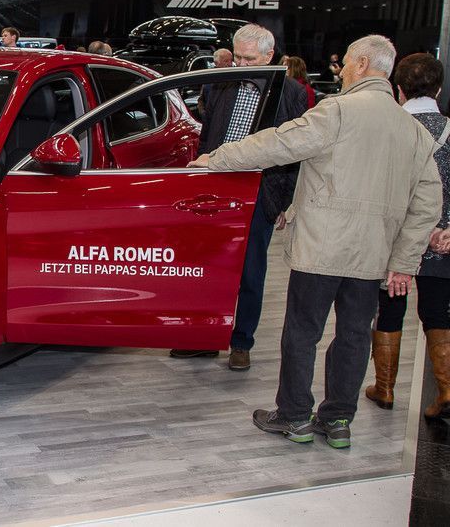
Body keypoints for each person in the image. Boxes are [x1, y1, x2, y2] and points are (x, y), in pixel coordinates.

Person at [190, 35, 441, 449]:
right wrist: (403, 259)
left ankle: (294, 417)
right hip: (373, 255)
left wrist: (214, 160)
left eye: (346, 63)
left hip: (321, 249)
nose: (340, 71)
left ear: (361, 64)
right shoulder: (411, 130)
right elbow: (428, 202)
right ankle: (338, 420)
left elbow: (275, 144)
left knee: (302, 333)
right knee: (355, 337)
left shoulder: (337, 111)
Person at [171, 25, 307, 371]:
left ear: (269, 56)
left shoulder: (291, 93)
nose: (242, 64)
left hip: (261, 191)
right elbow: (207, 138)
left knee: (250, 272)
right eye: (238, 57)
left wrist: (283, 202)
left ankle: (241, 341)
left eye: (250, 59)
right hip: (215, 189)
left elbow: (295, 154)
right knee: (207, 267)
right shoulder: (221, 83)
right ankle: (205, 338)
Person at [364, 53, 450, 419]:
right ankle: (446, 390)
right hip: (441, 240)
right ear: (439, 90)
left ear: (398, 89)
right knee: (438, 312)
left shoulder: (387, 128)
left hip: (393, 238)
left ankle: (384, 389)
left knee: (389, 308)